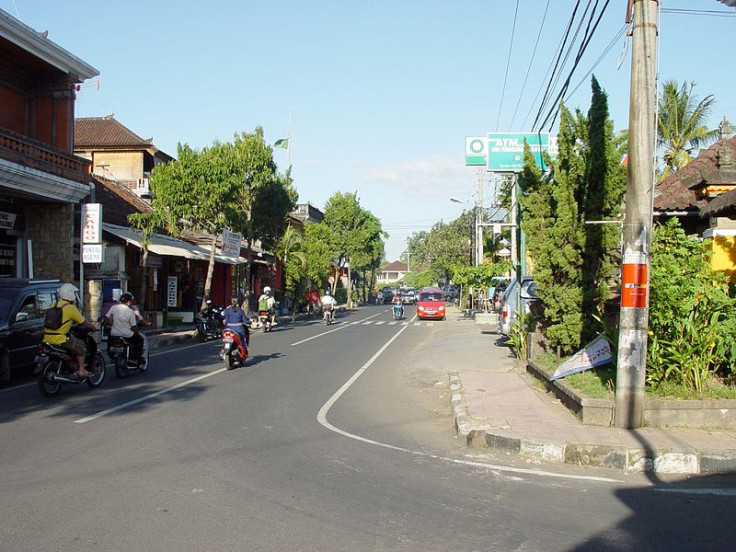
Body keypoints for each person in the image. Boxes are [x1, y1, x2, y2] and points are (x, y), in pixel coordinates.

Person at [42, 283, 96, 378]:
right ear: (71, 294)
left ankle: (70, 365)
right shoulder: (71, 308)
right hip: (60, 339)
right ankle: (82, 370)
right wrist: (93, 327)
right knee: (81, 346)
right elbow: (84, 322)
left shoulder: (53, 305)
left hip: (47, 338)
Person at [104, 292, 145, 366]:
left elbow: (106, 318)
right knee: (140, 339)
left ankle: (112, 357)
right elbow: (134, 326)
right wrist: (137, 332)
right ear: (129, 302)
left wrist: (106, 326)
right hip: (127, 335)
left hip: (114, 333)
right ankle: (135, 358)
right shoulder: (131, 311)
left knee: (110, 342)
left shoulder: (114, 307)